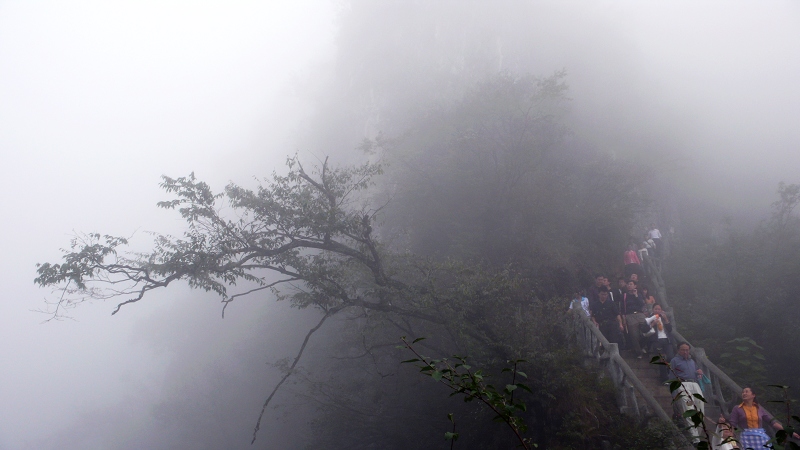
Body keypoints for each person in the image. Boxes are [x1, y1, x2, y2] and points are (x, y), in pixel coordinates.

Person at [722, 386, 800, 449]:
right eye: (743, 392)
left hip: (761, 437)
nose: (744, 393)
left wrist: (789, 431)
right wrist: (732, 442)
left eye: (746, 392)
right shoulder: (737, 408)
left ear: (753, 395)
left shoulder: (759, 408)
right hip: (746, 438)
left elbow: (772, 422)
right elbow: (732, 425)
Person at [669, 342, 705, 444]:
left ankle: (697, 433)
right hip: (683, 385)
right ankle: (695, 440)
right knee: (689, 410)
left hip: (695, 385)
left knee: (700, 410)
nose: (685, 352)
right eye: (683, 350)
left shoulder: (692, 361)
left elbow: (697, 373)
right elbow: (671, 377)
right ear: (678, 350)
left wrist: (699, 373)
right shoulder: (674, 361)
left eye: (687, 350)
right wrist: (673, 393)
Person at [644, 304, 673, 381]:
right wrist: (652, 324)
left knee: (670, 357)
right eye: (656, 309)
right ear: (653, 310)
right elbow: (644, 330)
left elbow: (670, 329)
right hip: (656, 340)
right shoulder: (649, 318)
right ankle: (664, 379)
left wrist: (666, 320)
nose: (657, 311)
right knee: (662, 358)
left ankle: (670, 375)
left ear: (661, 310)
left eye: (659, 309)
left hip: (667, 339)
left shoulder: (664, 317)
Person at [620, 280, 647, 358]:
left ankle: (642, 346)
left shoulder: (639, 294)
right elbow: (622, 308)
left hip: (640, 314)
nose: (629, 285)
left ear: (635, 286)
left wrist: (636, 295)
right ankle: (639, 352)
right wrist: (624, 318)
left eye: (631, 284)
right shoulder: (624, 295)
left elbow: (642, 304)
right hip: (630, 315)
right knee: (634, 335)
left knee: (647, 331)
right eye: (628, 284)